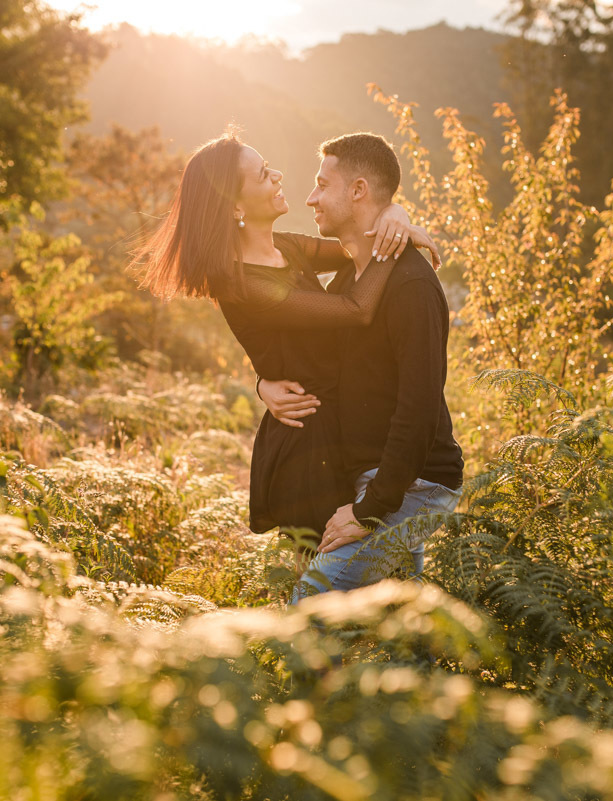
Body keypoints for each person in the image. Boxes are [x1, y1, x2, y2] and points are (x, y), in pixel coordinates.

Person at [137, 131, 441, 541]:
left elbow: (358, 241)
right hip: (306, 448)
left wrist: (394, 214)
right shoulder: (245, 284)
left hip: (338, 437)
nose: (278, 175)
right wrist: (394, 240)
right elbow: (357, 308)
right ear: (236, 206)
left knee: (365, 588)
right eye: (264, 174)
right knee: (322, 590)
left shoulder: (287, 248)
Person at [258, 132, 465, 602]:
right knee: (399, 626)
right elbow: (317, 360)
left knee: (313, 597)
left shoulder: (412, 284)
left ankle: (298, 679)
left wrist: (367, 510)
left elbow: (418, 410)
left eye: (321, 184)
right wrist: (262, 384)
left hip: (413, 483)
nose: (310, 198)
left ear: (357, 191)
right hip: (374, 479)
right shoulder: (354, 277)